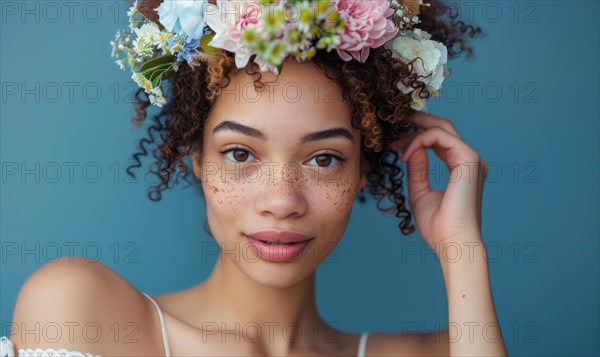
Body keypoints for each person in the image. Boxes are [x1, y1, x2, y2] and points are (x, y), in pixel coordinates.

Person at [2, 0, 508, 356]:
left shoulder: (442, 351)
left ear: (363, 172)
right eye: (241, 153)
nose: (282, 201)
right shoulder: (83, 311)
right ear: (197, 160)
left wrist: (461, 248)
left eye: (324, 159)